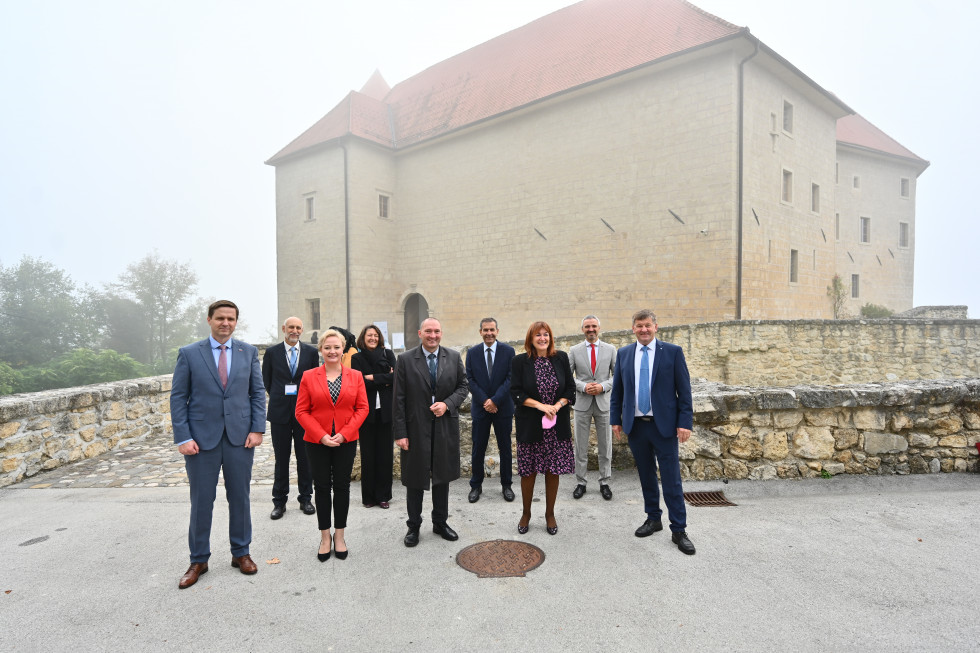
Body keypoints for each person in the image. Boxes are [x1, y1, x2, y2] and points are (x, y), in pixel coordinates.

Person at [170, 300, 266, 589]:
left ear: (236, 322)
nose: (226, 323)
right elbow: (178, 398)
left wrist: (257, 429)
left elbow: (257, 393)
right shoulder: (189, 354)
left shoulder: (247, 352)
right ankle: (198, 559)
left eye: (231, 319)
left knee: (240, 497)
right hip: (201, 441)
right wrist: (183, 437)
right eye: (220, 318)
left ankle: (241, 553)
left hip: (239, 438)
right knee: (201, 502)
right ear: (209, 320)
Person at [610, 309, 696, 555]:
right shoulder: (624, 354)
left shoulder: (672, 352)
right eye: (639, 326)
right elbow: (618, 391)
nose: (644, 330)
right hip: (636, 426)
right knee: (646, 476)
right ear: (633, 328)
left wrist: (685, 422)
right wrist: (616, 420)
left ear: (656, 327)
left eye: (648, 325)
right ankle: (653, 518)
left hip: (665, 427)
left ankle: (679, 529)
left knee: (671, 480)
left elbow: (684, 391)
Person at [392, 317, 468, 547]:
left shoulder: (453, 357)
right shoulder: (405, 360)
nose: (432, 335)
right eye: (428, 331)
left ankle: (440, 523)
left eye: (436, 331)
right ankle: (413, 526)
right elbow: (398, 399)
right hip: (415, 429)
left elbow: (463, 386)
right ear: (420, 333)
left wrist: (447, 404)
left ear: (441, 333)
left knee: (442, 478)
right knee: (415, 479)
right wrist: (400, 433)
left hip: (444, 426)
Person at [295, 329, 369, 561]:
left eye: (336, 347)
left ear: (343, 349)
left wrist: (345, 434)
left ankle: (340, 535)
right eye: (327, 347)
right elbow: (301, 411)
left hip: (345, 441)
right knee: (322, 488)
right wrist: (321, 435)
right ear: (321, 350)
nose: (332, 351)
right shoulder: (309, 376)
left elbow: (362, 408)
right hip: (317, 442)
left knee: (342, 488)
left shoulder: (355, 376)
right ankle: (325, 536)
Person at [510, 321, 575, 535]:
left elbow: (570, 390)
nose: (542, 338)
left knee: (552, 470)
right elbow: (516, 392)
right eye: (537, 335)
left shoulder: (561, 358)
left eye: (545, 334)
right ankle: (526, 513)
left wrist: (556, 406)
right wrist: (540, 406)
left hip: (556, 426)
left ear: (550, 337)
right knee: (528, 472)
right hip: (531, 425)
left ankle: (550, 514)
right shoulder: (520, 361)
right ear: (530, 338)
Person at [262, 316, 319, 520]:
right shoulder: (272, 353)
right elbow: (266, 381)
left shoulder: (312, 353)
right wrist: (281, 396)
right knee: (281, 459)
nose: (294, 330)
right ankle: (279, 502)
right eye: (291, 327)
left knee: (305, 458)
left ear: (301, 330)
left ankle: (306, 498)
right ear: (284, 329)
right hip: (280, 413)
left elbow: (315, 380)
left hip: (305, 414)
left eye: (298, 327)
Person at [464, 317, 516, 503]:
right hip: (480, 408)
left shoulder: (509, 352)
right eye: (485, 330)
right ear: (480, 332)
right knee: (478, 448)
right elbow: (470, 379)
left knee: (505, 448)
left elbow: (510, 379)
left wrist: (494, 400)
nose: (489, 333)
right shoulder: (472, 353)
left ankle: (507, 485)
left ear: (497, 331)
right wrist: (486, 401)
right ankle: (476, 486)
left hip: (503, 408)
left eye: (492, 330)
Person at [567, 314, 616, 500]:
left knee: (605, 445)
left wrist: (603, 386)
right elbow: (568, 377)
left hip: (604, 403)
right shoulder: (574, 350)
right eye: (587, 327)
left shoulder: (610, 349)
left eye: (594, 326)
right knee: (580, 445)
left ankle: (605, 482)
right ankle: (581, 482)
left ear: (599, 328)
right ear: (582, 330)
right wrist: (583, 386)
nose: (591, 330)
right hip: (582, 403)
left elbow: (618, 375)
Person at [350, 324, 397, 509]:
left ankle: (383, 496)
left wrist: (370, 377)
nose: (373, 338)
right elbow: (357, 381)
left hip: (386, 412)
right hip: (365, 412)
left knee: (385, 455)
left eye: (376, 335)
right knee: (368, 455)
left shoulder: (388, 355)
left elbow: (396, 378)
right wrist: (382, 378)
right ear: (364, 337)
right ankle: (369, 497)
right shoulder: (356, 357)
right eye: (369, 335)